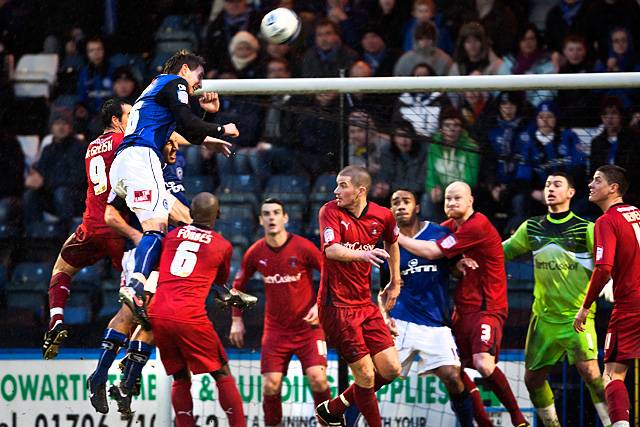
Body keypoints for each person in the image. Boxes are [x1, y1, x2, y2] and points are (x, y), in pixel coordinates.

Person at [109, 49, 237, 329]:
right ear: (184, 71)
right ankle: (135, 287)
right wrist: (222, 128)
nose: (199, 84)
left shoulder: (155, 89)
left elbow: (187, 129)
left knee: (157, 228)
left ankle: (140, 285)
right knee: (156, 229)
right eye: (198, 77)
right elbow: (189, 123)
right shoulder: (174, 82)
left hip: (123, 162)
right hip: (142, 157)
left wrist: (207, 115)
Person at [397, 181, 530, 427]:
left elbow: (432, 252)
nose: (451, 203)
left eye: (457, 198)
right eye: (448, 199)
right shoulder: (447, 227)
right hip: (460, 309)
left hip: (486, 307)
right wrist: (456, 263)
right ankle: (482, 423)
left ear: (470, 201)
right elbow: (435, 250)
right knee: (454, 370)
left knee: (482, 363)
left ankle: (518, 418)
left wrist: (396, 236)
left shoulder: (477, 225)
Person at [503, 173, 610, 427]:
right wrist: (474, 252)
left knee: (592, 374)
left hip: (577, 317)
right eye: (547, 184)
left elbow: (607, 262)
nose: (550, 188)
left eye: (557, 184)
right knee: (532, 381)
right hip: (543, 318)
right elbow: (502, 251)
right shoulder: (531, 227)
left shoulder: (587, 229)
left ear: (571, 193)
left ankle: (613, 423)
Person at [42, 99, 131, 360]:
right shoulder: (123, 143)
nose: (131, 121)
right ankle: (129, 355)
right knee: (135, 295)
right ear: (116, 120)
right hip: (118, 228)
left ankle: (56, 320)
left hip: (91, 226)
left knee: (61, 268)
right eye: (128, 116)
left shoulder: (90, 147)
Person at [229, 198, 331, 426]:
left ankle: (330, 423)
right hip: (275, 332)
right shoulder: (255, 252)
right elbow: (237, 287)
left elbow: (329, 273)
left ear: (285, 218)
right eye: (266, 214)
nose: (271, 217)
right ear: (260, 220)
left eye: (276, 213)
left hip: (309, 329)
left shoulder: (303, 247)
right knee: (270, 385)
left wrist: (319, 305)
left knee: (318, 380)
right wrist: (236, 320)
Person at [148, 192, 246, 427]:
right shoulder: (223, 245)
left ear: (190, 213)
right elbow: (220, 281)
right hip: (189, 315)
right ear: (219, 214)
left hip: (158, 313)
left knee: (180, 377)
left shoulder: (171, 237)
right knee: (222, 373)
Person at [314, 165, 402, 427]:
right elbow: (331, 250)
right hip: (336, 306)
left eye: (343, 185)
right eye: (337, 185)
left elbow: (393, 242)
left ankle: (333, 408)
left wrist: (395, 280)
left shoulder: (383, 216)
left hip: (366, 304)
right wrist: (363, 254)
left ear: (360, 191)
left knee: (390, 369)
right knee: (365, 376)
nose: (336, 191)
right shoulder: (330, 211)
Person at [382, 189, 477, 426]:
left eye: (406, 202)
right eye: (395, 203)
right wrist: (385, 316)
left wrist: (459, 266)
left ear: (417, 207)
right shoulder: (387, 247)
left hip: (436, 323)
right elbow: (382, 291)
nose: (400, 206)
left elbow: (453, 267)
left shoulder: (439, 233)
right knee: (374, 378)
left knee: (453, 377)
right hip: (402, 321)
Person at [574, 165, 640, 427]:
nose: (591, 185)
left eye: (597, 180)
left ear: (613, 188)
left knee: (612, 376)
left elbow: (602, 268)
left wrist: (585, 307)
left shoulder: (605, 221)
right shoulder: (637, 213)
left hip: (632, 305)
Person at [23, 109, 86, 227]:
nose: (61, 127)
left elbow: (78, 179)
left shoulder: (80, 148)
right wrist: (33, 178)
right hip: (52, 194)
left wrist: (46, 182)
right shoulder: (48, 149)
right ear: (51, 127)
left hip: (76, 197)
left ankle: (65, 236)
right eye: (57, 123)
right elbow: (40, 172)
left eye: (64, 123)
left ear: (70, 127)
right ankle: (34, 234)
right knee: (30, 195)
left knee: (61, 193)